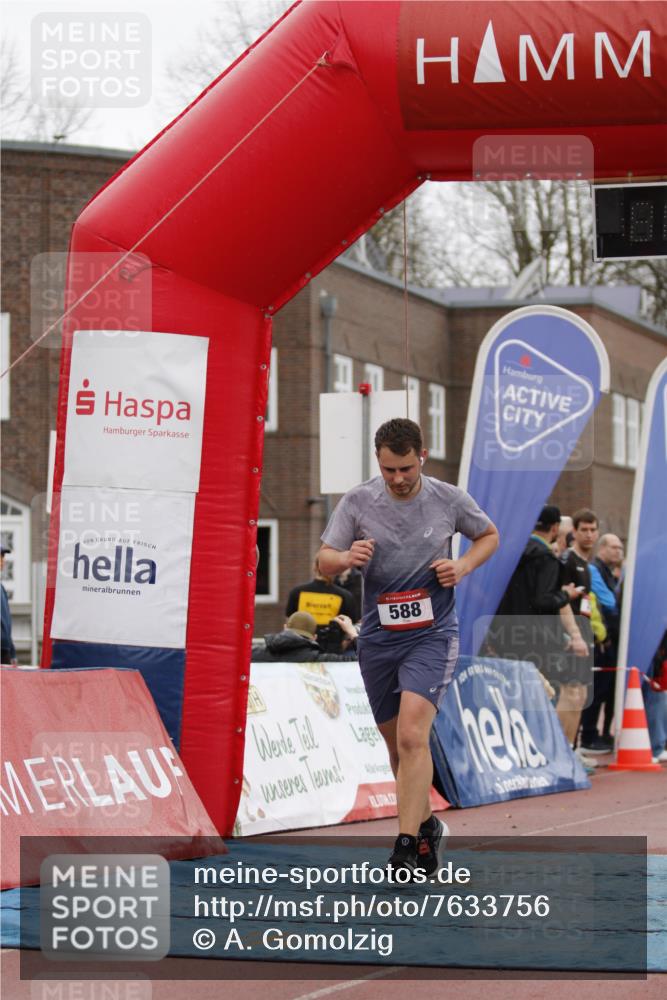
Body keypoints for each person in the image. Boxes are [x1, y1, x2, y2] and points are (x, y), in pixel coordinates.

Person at [317, 418, 499, 879]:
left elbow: (489, 535)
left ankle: (405, 845)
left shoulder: (449, 498)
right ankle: (426, 826)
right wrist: (345, 558)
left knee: (414, 736)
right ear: (378, 462)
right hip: (378, 637)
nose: (397, 479)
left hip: (432, 634)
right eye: (388, 470)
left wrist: (462, 566)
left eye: (405, 469)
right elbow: (323, 563)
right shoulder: (358, 501)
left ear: (422, 456)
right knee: (397, 749)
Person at [491, 505, 588, 704]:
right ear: (555, 528)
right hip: (534, 640)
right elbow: (543, 600)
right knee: (543, 698)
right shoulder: (546, 559)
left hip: (502, 635)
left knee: (512, 696)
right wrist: (565, 594)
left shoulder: (511, 553)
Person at [558, 509, 603, 768]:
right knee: (571, 691)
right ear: (574, 532)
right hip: (569, 635)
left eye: (592, 529)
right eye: (583, 529)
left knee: (582, 693)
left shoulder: (587, 565)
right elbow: (559, 598)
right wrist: (571, 633)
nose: (588, 534)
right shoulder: (567, 560)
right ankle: (563, 751)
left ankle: (572, 749)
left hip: (584, 633)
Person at [580, 534, 623, 753]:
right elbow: (608, 602)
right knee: (596, 689)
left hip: (610, 637)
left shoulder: (611, 573)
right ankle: (588, 735)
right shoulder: (595, 569)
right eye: (615, 547)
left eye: (621, 548)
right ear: (603, 548)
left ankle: (603, 733)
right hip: (599, 639)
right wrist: (603, 635)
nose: (619, 552)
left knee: (607, 688)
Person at [285, 556, 356, 651]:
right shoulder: (345, 596)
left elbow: (289, 623)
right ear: (336, 569)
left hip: (301, 650)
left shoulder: (297, 592)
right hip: (333, 654)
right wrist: (343, 646)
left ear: (314, 567)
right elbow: (351, 627)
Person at [251, 611, 358, 662]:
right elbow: (365, 661)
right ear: (314, 637)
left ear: (285, 628)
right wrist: (352, 632)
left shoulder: (254, 654)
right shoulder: (322, 660)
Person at [1, 546, 17, 665]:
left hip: (4, 651)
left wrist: (12, 652)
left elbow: (6, 622)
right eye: (1, 557)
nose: (3, 561)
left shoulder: (1, 588)